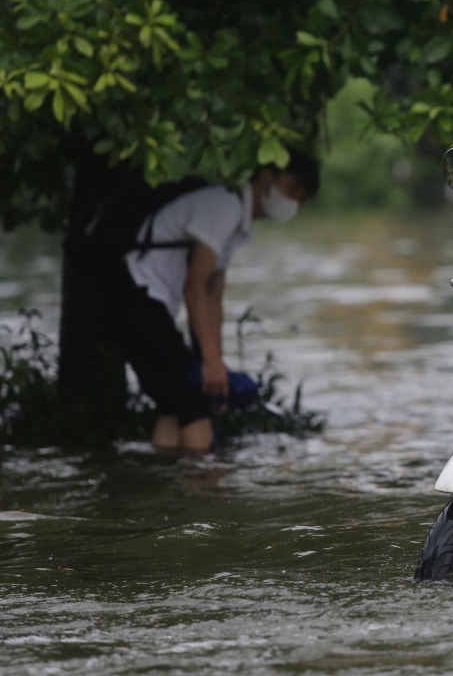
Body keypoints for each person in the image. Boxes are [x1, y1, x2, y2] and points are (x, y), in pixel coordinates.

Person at [94, 153, 320, 453]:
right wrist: (211, 362)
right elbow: (194, 286)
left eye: (300, 200)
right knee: (194, 403)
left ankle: (164, 481)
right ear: (266, 176)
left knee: (178, 404)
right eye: (290, 190)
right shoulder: (224, 206)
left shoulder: (237, 222)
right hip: (135, 298)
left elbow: (213, 295)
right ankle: (201, 489)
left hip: (141, 302)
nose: (292, 203)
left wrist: (216, 367)